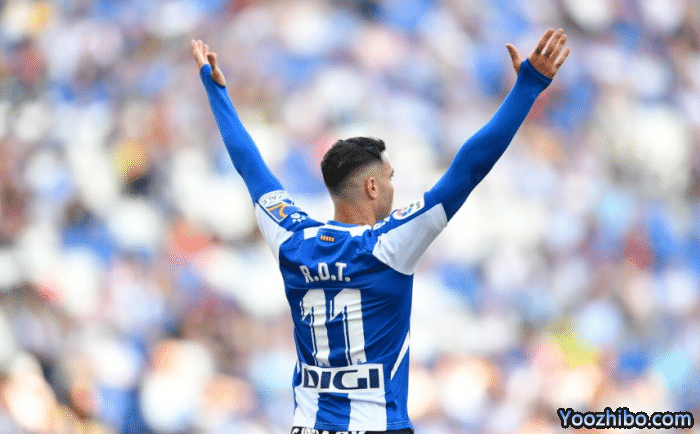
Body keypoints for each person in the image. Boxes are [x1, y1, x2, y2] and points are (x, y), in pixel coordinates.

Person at [191, 28, 570, 434]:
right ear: (372, 187)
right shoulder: (388, 246)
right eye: (389, 177)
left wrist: (216, 92)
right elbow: (470, 166)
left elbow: (250, 166)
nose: (393, 186)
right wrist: (528, 87)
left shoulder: (291, 239)